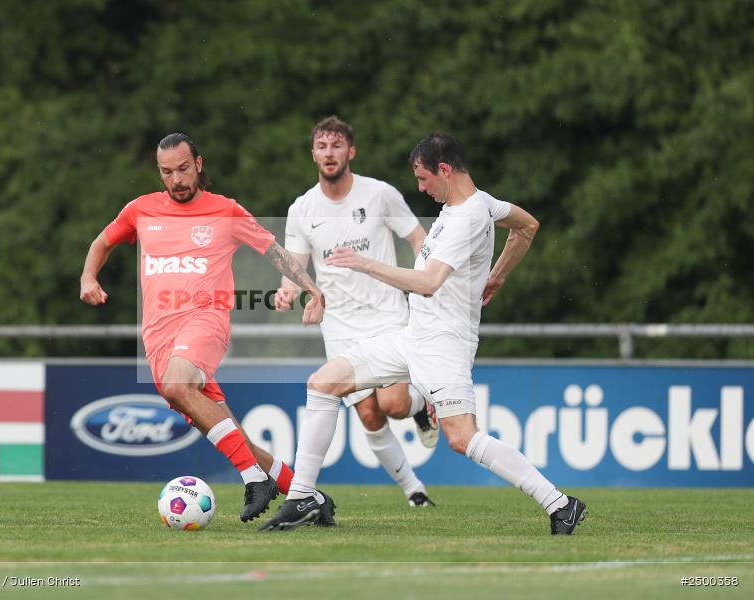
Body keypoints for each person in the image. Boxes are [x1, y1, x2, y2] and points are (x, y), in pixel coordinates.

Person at [261, 132, 587, 535]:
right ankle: (302, 497)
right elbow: (527, 226)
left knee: (462, 437)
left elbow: (429, 282)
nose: (420, 187)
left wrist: (365, 264)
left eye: (422, 178)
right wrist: (497, 276)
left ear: (444, 170)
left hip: (444, 345)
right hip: (413, 334)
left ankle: (560, 503)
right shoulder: (481, 203)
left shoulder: (467, 217)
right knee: (323, 383)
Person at [80, 132, 332, 524]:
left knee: (177, 386)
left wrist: (312, 289)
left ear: (198, 164)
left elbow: (273, 251)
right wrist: (88, 278)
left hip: (204, 323)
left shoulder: (224, 211)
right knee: (237, 438)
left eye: (182, 169)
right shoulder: (141, 210)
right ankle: (309, 496)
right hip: (159, 337)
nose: (176, 180)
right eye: (167, 172)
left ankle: (253, 479)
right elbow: (103, 240)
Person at [276, 116, 438, 507]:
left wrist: (426, 281)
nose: (328, 153)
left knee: (395, 404)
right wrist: (288, 294)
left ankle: (421, 407)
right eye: (321, 146)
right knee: (368, 414)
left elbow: (419, 238)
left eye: (336, 146)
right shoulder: (301, 209)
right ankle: (414, 491)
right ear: (313, 154)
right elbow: (295, 270)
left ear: (351, 151)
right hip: (341, 327)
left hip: (386, 317)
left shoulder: (379, 194)